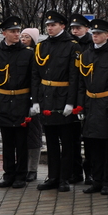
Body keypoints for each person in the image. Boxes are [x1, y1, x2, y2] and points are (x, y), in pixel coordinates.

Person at [0, 16, 35, 188]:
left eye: (18, 31)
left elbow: (33, 80)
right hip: (3, 101)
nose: (16, 34)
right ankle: (8, 174)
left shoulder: (28, 54)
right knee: (7, 142)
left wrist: (32, 103)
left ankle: (21, 175)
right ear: (4, 33)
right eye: (12, 32)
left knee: (21, 142)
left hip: (21, 101)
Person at [32, 10, 79, 192]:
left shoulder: (72, 46)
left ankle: (64, 178)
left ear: (62, 26)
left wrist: (70, 102)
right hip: (46, 97)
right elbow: (36, 75)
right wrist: (35, 100)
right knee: (50, 141)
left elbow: (74, 77)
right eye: (48, 26)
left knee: (66, 142)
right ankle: (53, 176)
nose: (50, 28)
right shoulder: (42, 46)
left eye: (53, 25)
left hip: (63, 96)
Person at [78, 18, 108, 195]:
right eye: (94, 33)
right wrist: (81, 107)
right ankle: (96, 180)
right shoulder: (86, 55)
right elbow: (82, 83)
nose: (95, 36)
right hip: (91, 104)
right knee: (92, 146)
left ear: (107, 35)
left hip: (106, 105)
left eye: (99, 34)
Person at [69, 13, 94, 183]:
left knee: (90, 138)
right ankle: (75, 172)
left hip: (89, 94)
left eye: (79, 28)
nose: (75, 31)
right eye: (73, 28)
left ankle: (91, 173)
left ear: (87, 28)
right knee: (72, 139)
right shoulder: (69, 44)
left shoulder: (91, 45)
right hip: (72, 93)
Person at [20, 27, 43, 182]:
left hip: (34, 98)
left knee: (34, 135)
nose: (23, 39)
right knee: (19, 136)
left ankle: (32, 168)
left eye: (27, 37)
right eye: (22, 36)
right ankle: (21, 166)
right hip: (19, 98)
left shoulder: (37, 55)